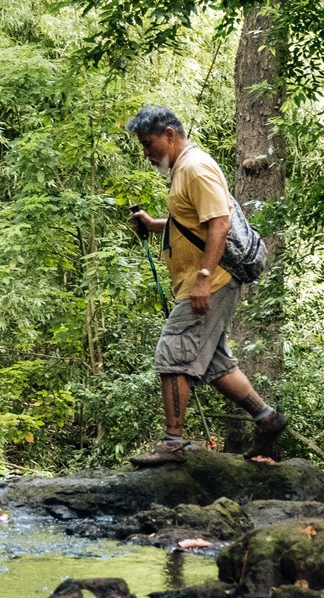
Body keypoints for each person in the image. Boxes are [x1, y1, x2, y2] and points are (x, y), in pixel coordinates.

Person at [122, 104, 287, 467]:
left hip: (210, 282)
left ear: (169, 134)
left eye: (149, 144)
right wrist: (155, 225)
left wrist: (203, 279)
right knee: (215, 364)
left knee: (172, 354)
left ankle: (173, 443)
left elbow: (219, 224)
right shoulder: (183, 170)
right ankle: (266, 419)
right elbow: (194, 221)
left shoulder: (196, 168)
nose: (146, 153)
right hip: (199, 282)